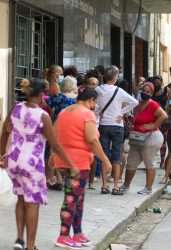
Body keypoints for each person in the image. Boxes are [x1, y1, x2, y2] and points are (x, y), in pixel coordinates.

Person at [0, 79, 74, 250]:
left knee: (20, 199)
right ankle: (30, 246)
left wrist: (2, 155)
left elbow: (4, 131)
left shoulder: (16, 108)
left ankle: (19, 239)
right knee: (32, 203)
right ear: (41, 95)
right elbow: (55, 144)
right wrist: (71, 164)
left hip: (13, 160)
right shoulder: (42, 116)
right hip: (32, 163)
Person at [53, 88, 112, 249]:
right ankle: (63, 235)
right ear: (91, 100)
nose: (94, 106)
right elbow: (92, 139)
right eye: (94, 103)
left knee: (77, 198)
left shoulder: (64, 112)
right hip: (78, 162)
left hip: (63, 159)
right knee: (71, 199)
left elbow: (55, 133)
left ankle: (77, 233)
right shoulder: (87, 114)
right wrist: (105, 160)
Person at [95, 66, 138, 195]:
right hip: (117, 126)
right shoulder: (119, 91)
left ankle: (104, 185)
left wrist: (98, 114)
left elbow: (95, 107)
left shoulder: (98, 89)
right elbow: (134, 102)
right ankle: (116, 186)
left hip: (103, 125)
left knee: (104, 155)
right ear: (115, 78)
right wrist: (121, 113)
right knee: (117, 156)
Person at [121, 82, 168, 194]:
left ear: (151, 94)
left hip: (151, 137)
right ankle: (125, 186)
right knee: (131, 162)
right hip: (137, 137)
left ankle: (148, 188)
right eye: (144, 91)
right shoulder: (137, 104)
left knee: (149, 162)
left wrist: (153, 125)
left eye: (148, 92)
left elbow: (164, 115)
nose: (145, 93)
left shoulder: (153, 104)